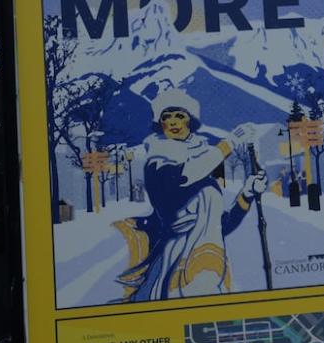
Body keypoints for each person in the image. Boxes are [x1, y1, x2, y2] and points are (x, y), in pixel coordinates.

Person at [115, 94, 268, 301]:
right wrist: (229, 143)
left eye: (180, 115)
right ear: (160, 123)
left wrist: (246, 194)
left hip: (210, 256)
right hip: (176, 255)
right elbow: (186, 174)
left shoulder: (202, 167)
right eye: (166, 116)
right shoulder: (158, 162)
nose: (173, 121)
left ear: (191, 121)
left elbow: (220, 226)